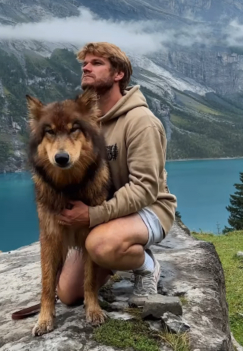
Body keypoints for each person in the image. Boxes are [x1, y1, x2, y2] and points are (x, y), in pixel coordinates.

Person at [57, 42, 177, 305]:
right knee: (68, 294)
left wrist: (92, 215)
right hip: (108, 214)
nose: (86, 68)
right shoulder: (86, 122)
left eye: (96, 63)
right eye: (84, 64)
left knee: (100, 245)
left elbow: (145, 189)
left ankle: (146, 265)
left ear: (118, 74)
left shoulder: (141, 122)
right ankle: (115, 252)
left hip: (150, 210)